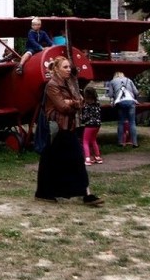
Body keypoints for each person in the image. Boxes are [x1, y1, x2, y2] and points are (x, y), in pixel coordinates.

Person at [35, 56, 103, 207]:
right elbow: (62, 107)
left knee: (61, 160)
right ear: (57, 69)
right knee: (59, 160)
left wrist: (71, 102)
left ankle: (84, 193)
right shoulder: (52, 85)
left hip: (68, 127)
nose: (69, 70)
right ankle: (83, 194)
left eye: (69, 67)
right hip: (58, 127)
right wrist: (73, 103)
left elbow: (81, 102)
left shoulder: (70, 83)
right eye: (65, 67)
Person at [109, 71, 139, 147]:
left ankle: (120, 142)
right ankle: (134, 143)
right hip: (131, 102)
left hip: (120, 102)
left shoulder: (112, 81)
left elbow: (110, 94)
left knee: (121, 122)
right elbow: (136, 92)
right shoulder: (129, 80)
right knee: (132, 122)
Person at [81, 86, 103, 166]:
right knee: (93, 140)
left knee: (85, 141)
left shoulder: (87, 105)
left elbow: (86, 116)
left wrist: (82, 119)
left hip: (89, 124)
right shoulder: (97, 103)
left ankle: (87, 158)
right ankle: (97, 157)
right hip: (97, 124)